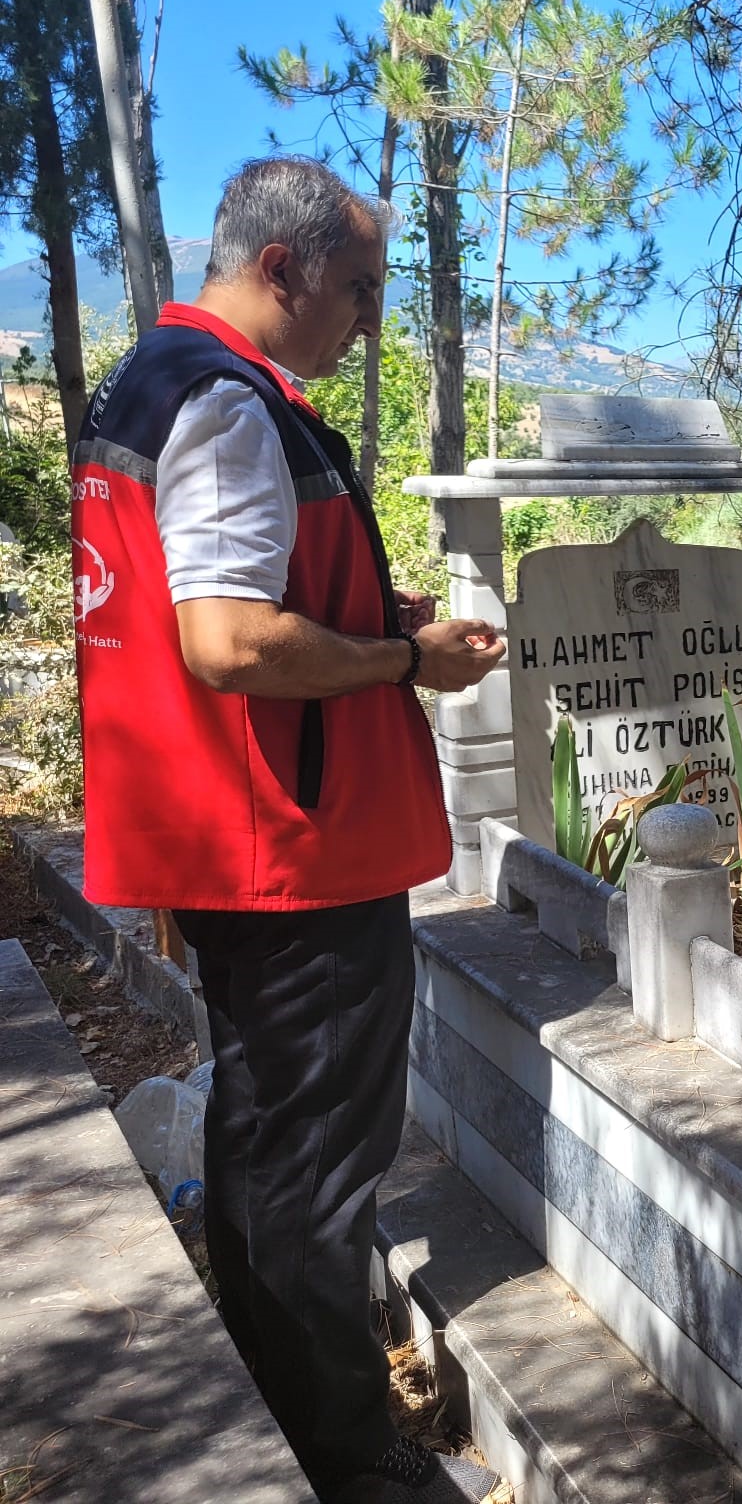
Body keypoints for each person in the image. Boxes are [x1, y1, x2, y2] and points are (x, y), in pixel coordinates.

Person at [71, 157, 506, 1504]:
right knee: (315, 1159)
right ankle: (346, 1452)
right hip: (294, 854)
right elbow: (225, 638)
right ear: (281, 270)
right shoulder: (225, 401)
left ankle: (282, 1381)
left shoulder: (142, 383)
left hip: (232, 839)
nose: (366, 319)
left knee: (265, 1131)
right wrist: (401, 656)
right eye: (361, 289)